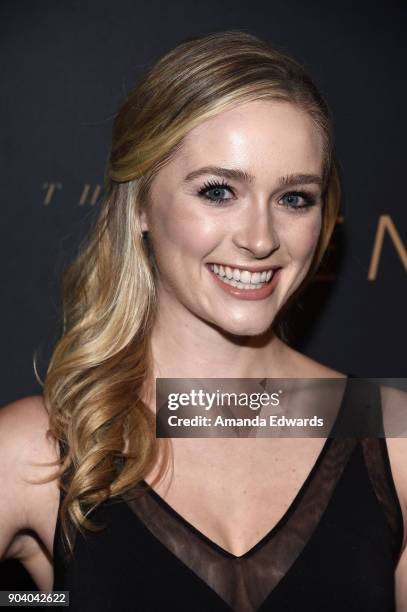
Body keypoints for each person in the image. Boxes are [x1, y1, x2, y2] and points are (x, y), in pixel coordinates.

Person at [1, 29, 406, 611]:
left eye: (295, 198)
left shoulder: (392, 440)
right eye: (218, 191)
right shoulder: (34, 451)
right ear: (140, 203)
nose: (261, 238)